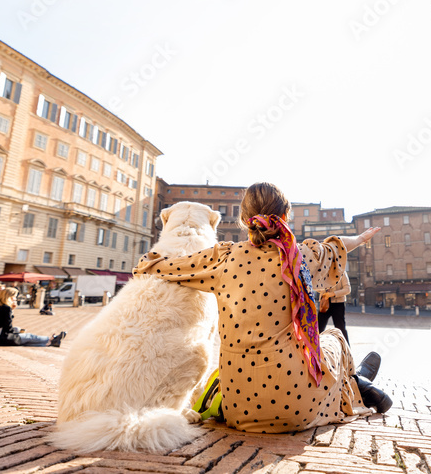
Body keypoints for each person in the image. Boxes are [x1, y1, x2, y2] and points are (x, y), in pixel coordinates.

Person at [133, 181, 391, 433]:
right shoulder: (300, 257)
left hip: (240, 410)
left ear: (244, 219)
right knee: (334, 337)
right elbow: (335, 248)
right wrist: (360, 237)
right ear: (285, 216)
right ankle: (357, 383)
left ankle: (359, 383)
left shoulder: (223, 258)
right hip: (298, 408)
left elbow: (157, 266)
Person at [0, 287, 65, 346]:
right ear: (9, 297)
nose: (16, 299)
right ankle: (51, 340)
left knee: (22, 336)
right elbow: (8, 329)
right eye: (14, 297)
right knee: (28, 336)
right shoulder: (5, 308)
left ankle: (50, 342)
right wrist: (11, 311)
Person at [318, 270, 351, 344]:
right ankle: (313, 351)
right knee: (318, 328)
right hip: (324, 303)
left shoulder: (342, 273)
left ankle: (347, 352)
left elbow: (347, 289)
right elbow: (317, 288)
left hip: (338, 304)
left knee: (340, 329)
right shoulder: (322, 272)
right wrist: (323, 291)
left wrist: (332, 294)